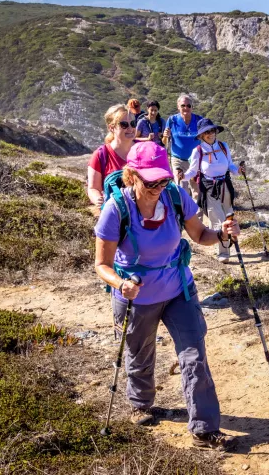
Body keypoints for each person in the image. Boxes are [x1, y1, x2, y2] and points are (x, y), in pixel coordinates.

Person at [94, 141, 240, 450]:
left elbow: (200, 234)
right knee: (139, 354)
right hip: (135, 296)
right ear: (132, 175)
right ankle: (141, 403)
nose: (159, 186)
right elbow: (102, 264)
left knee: (194, 355)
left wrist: (223, 235)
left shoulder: (175, 196)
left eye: (163, 179)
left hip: (178, 289)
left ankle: (204, 429)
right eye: (152, 181)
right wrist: (121, 285)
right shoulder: (116, 209)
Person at [181, 118, 244, 264]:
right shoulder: (197, 151)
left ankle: (227, 242)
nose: (211, 134)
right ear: (202, 135)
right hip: (209, 188)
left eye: (212, 130)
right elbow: (192, 172)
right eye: (207, 132)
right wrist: (182, 176)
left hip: (225, 185)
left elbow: (230, 166)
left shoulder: (223, 146)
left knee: (229, 217)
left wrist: (239, 171)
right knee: (217, 219)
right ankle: (224, 252)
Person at [87, 104, 136, 208]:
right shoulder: (100, 155)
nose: (130, 128)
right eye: (124, 125)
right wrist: (98, 200)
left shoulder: (143, 151)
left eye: (133, 123)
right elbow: (93, 188)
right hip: (115, 216)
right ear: (111, 127)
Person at [163, 94, 202, 201]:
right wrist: (165, 136)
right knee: (181, 188)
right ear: (178, 107)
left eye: (188, 106)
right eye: (183, 105)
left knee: (196, 189)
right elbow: (164, 143)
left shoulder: (199, 120)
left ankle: (196, 215)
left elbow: (207, 137)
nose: (186, 108)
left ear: (192, 107)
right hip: (178, 159)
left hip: (195, 160)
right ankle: (184, 215)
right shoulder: (172, 120)